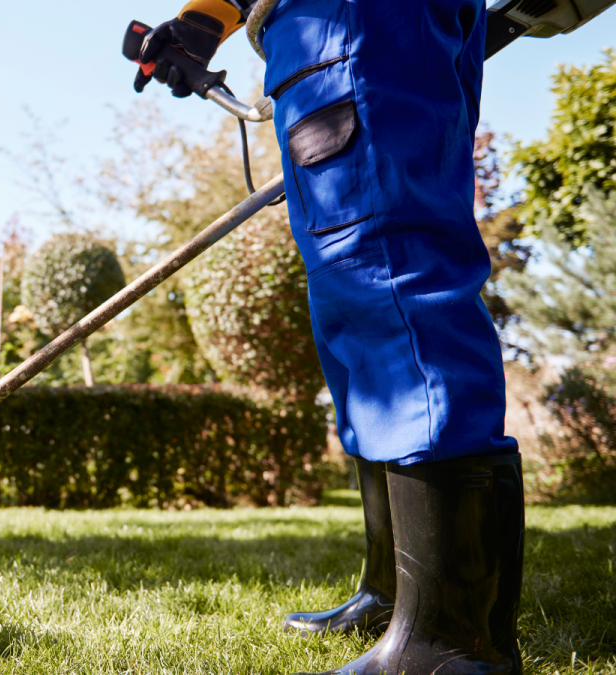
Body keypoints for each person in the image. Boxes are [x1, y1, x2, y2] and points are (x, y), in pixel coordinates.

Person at [131, 2, 525, 674]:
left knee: (387, 274)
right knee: (358, 305)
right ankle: (397, 593)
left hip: (350, 21)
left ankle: (448, 639)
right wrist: (205, 19)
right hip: (339, 30)